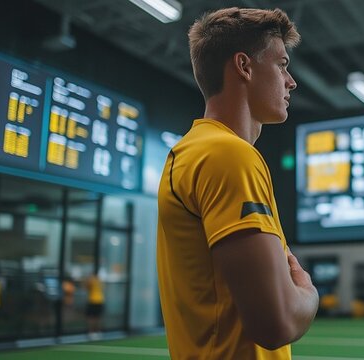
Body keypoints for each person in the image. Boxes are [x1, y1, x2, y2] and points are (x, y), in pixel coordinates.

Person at [157, 7, 318, 359]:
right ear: (244, 66)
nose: (291, 81)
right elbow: (276, 324)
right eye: (282, 65)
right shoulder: (229, 155)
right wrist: (308, 293)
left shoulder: (191, 151)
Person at [85, 273, 104, 339]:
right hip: (98, 300)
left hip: (94, 300)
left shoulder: (93, 280)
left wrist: (89, 280)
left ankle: (93, 332)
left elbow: (87, 287)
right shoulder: (100, 280)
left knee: (92, 317)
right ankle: (95, 332)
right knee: (96, 317)